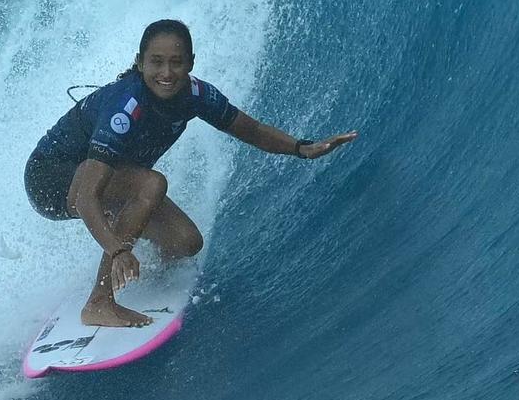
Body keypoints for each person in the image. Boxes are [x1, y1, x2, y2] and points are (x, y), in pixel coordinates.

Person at [24, 18, 355, 328]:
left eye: (176, 62)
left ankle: (127, 269)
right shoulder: (125, 108)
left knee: (185, 242)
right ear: (140, 62)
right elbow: (86, 196)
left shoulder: (196, 96)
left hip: (106, 180)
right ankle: (99, 301)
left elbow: (250, 129)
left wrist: (301, 148)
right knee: (151, 184)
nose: (166, 72)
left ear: (191, 63)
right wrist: (118, 249)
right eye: (156, 62)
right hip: (51, 179)